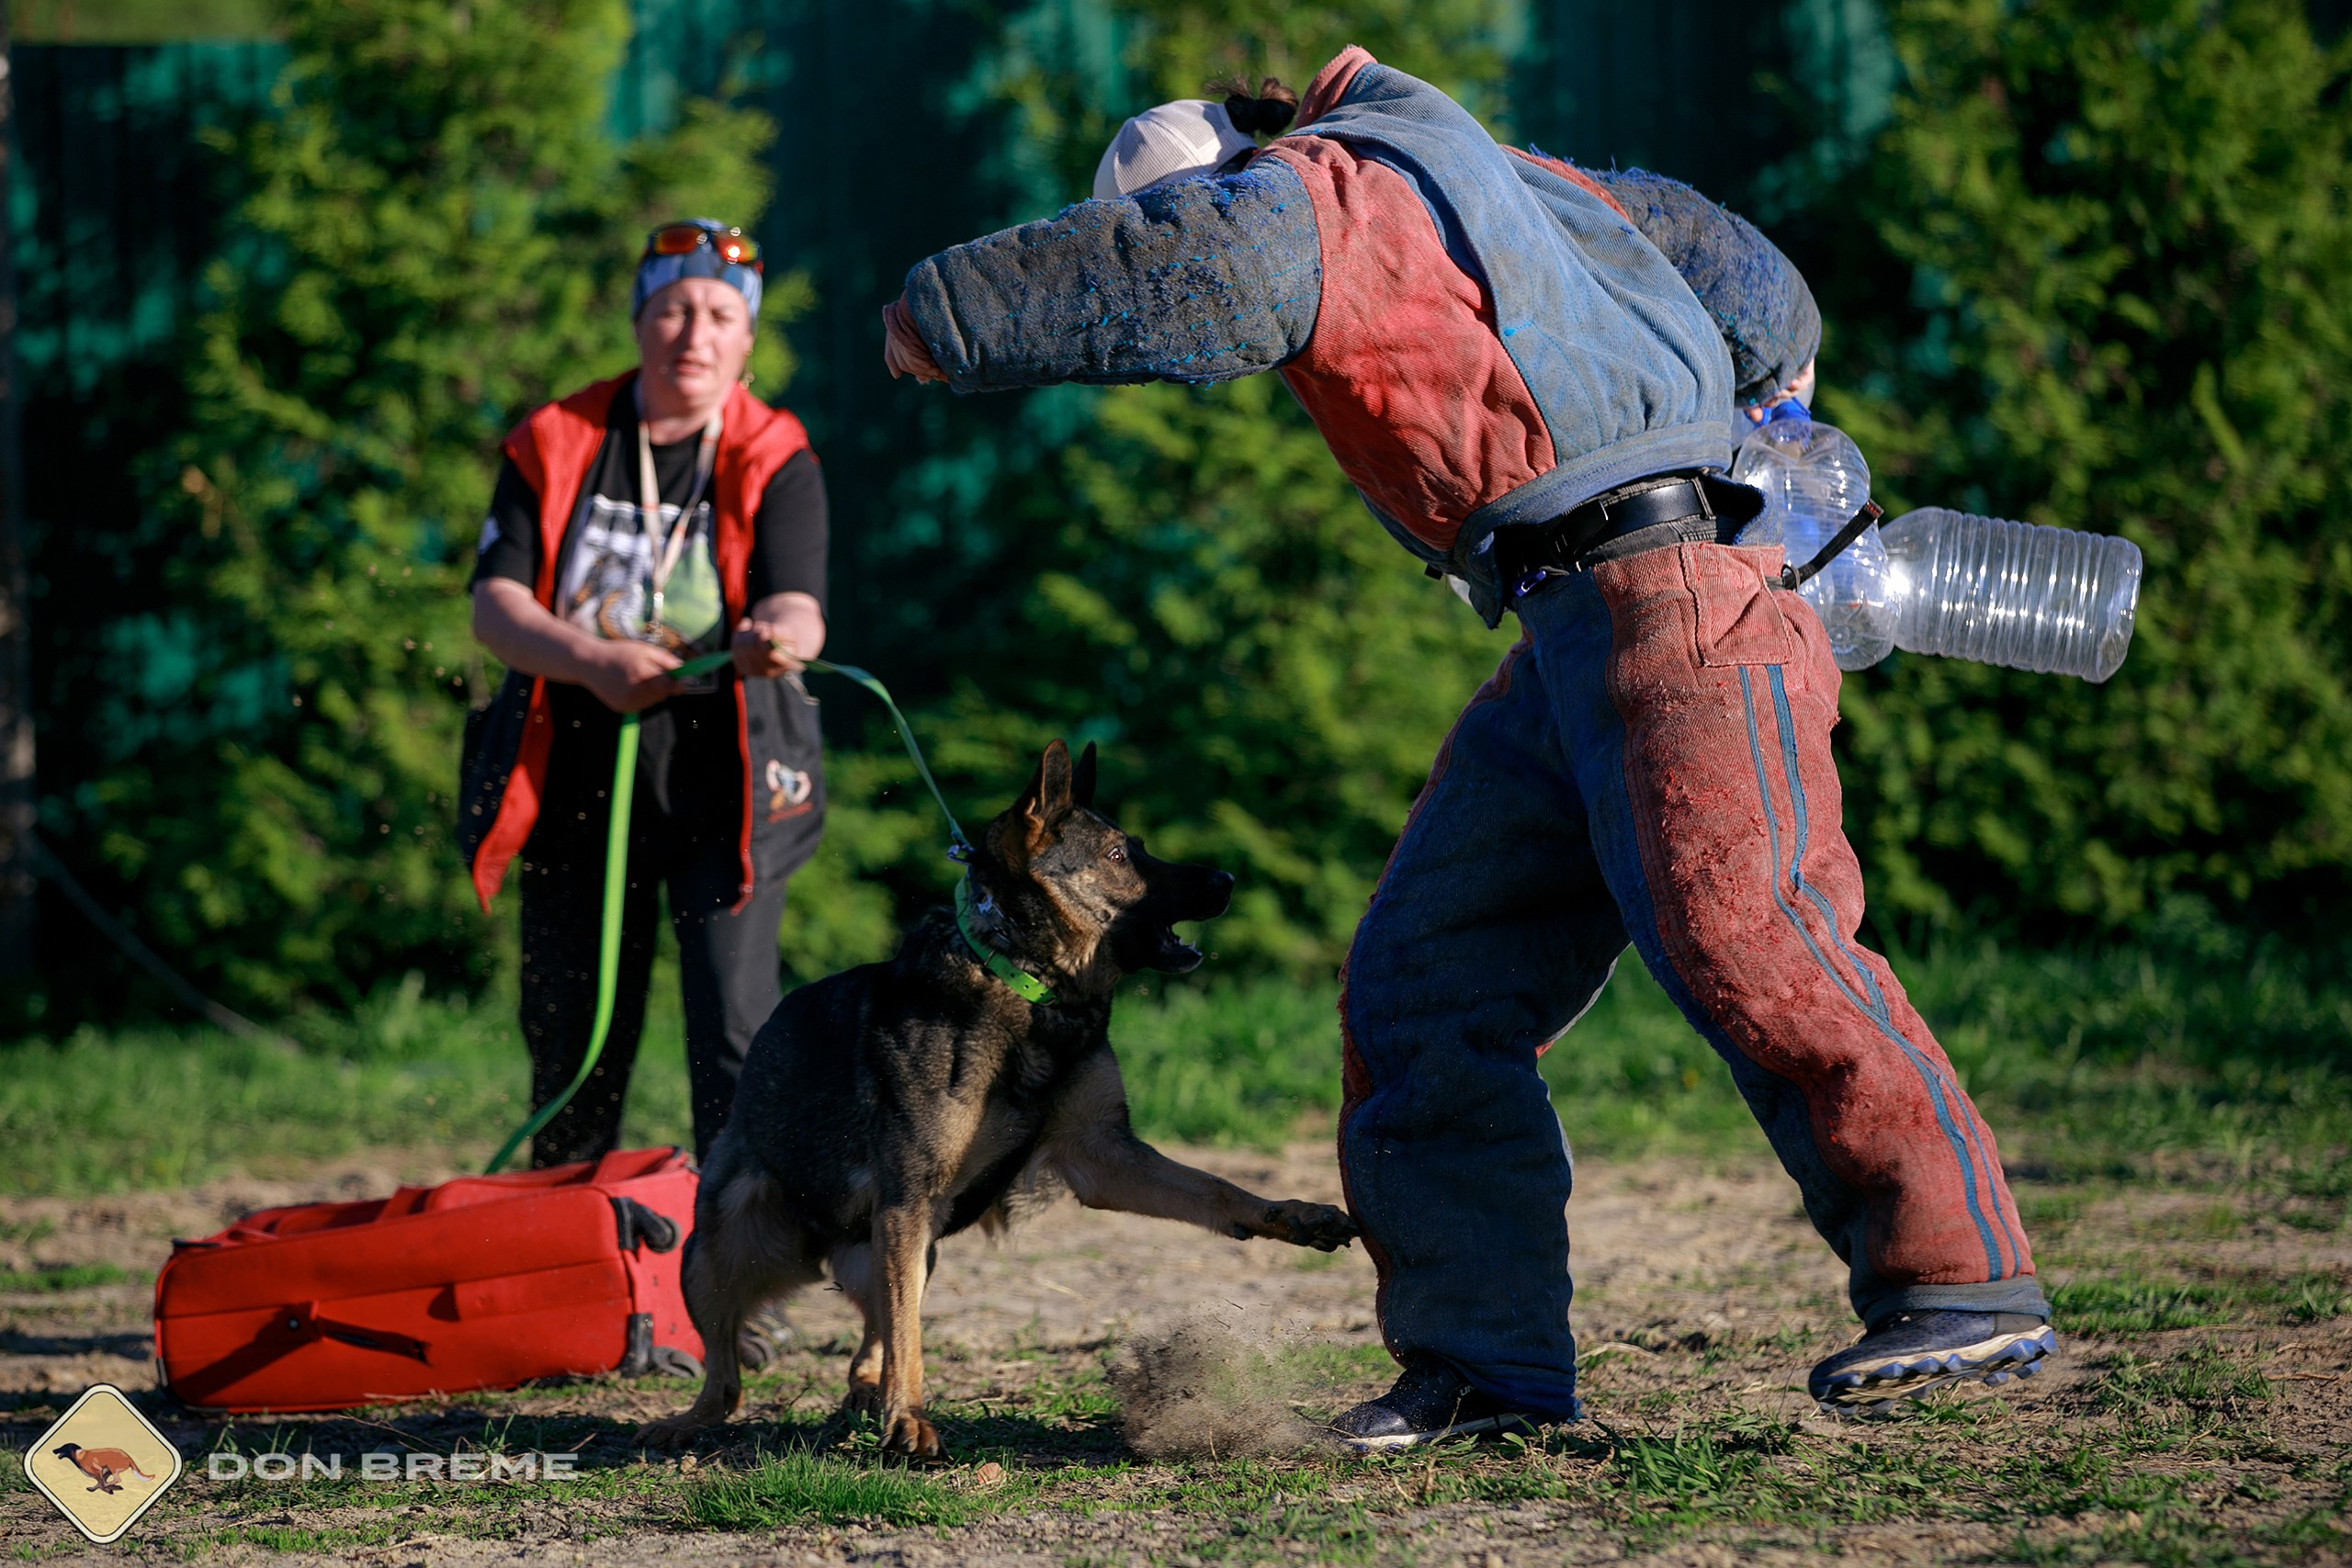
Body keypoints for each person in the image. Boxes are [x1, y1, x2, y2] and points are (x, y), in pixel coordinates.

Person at [879, 51, 2055, 1446]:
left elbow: (1183, 280)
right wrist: (1778, 387)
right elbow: (1751, 280)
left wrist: (933, 320)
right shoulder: (1501, 174)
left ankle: (1962, 1272)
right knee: (1423, 979)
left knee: (1749, 930)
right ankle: (1483, 1366)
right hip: (1576, 618)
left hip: (1675, 596)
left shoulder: (1305, 196)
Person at [460, 219, 829, 1171]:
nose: (692, 335)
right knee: (571, 1038)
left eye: (717, 315)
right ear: (639, 321)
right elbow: (495, 606)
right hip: (577, 784)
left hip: (726, 790)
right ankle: (566, 1272)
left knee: (736, 1036)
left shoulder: (775, 452)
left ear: (746, 337)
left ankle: (742, 1280)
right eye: (672, 309)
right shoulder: (557, 439)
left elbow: (800, 602)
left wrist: (775, 638)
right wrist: (587, 660)